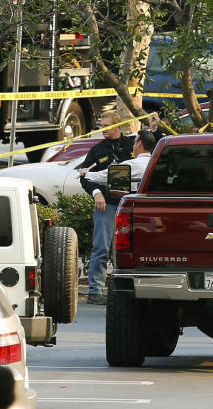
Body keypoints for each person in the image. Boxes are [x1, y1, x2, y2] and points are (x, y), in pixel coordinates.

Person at [77, 111, 134, 304]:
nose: (103, 130)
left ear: (118, 126)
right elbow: (84, 175)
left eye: (107, 127)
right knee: (101, 248)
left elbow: (153, 147)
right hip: (107, 206)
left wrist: (153, 128)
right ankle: (95, 291)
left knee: (130, 249)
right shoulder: (97, 150)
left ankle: (129, 291)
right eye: (101, 126)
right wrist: (96, 193)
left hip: (131, 206)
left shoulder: (132, 144)